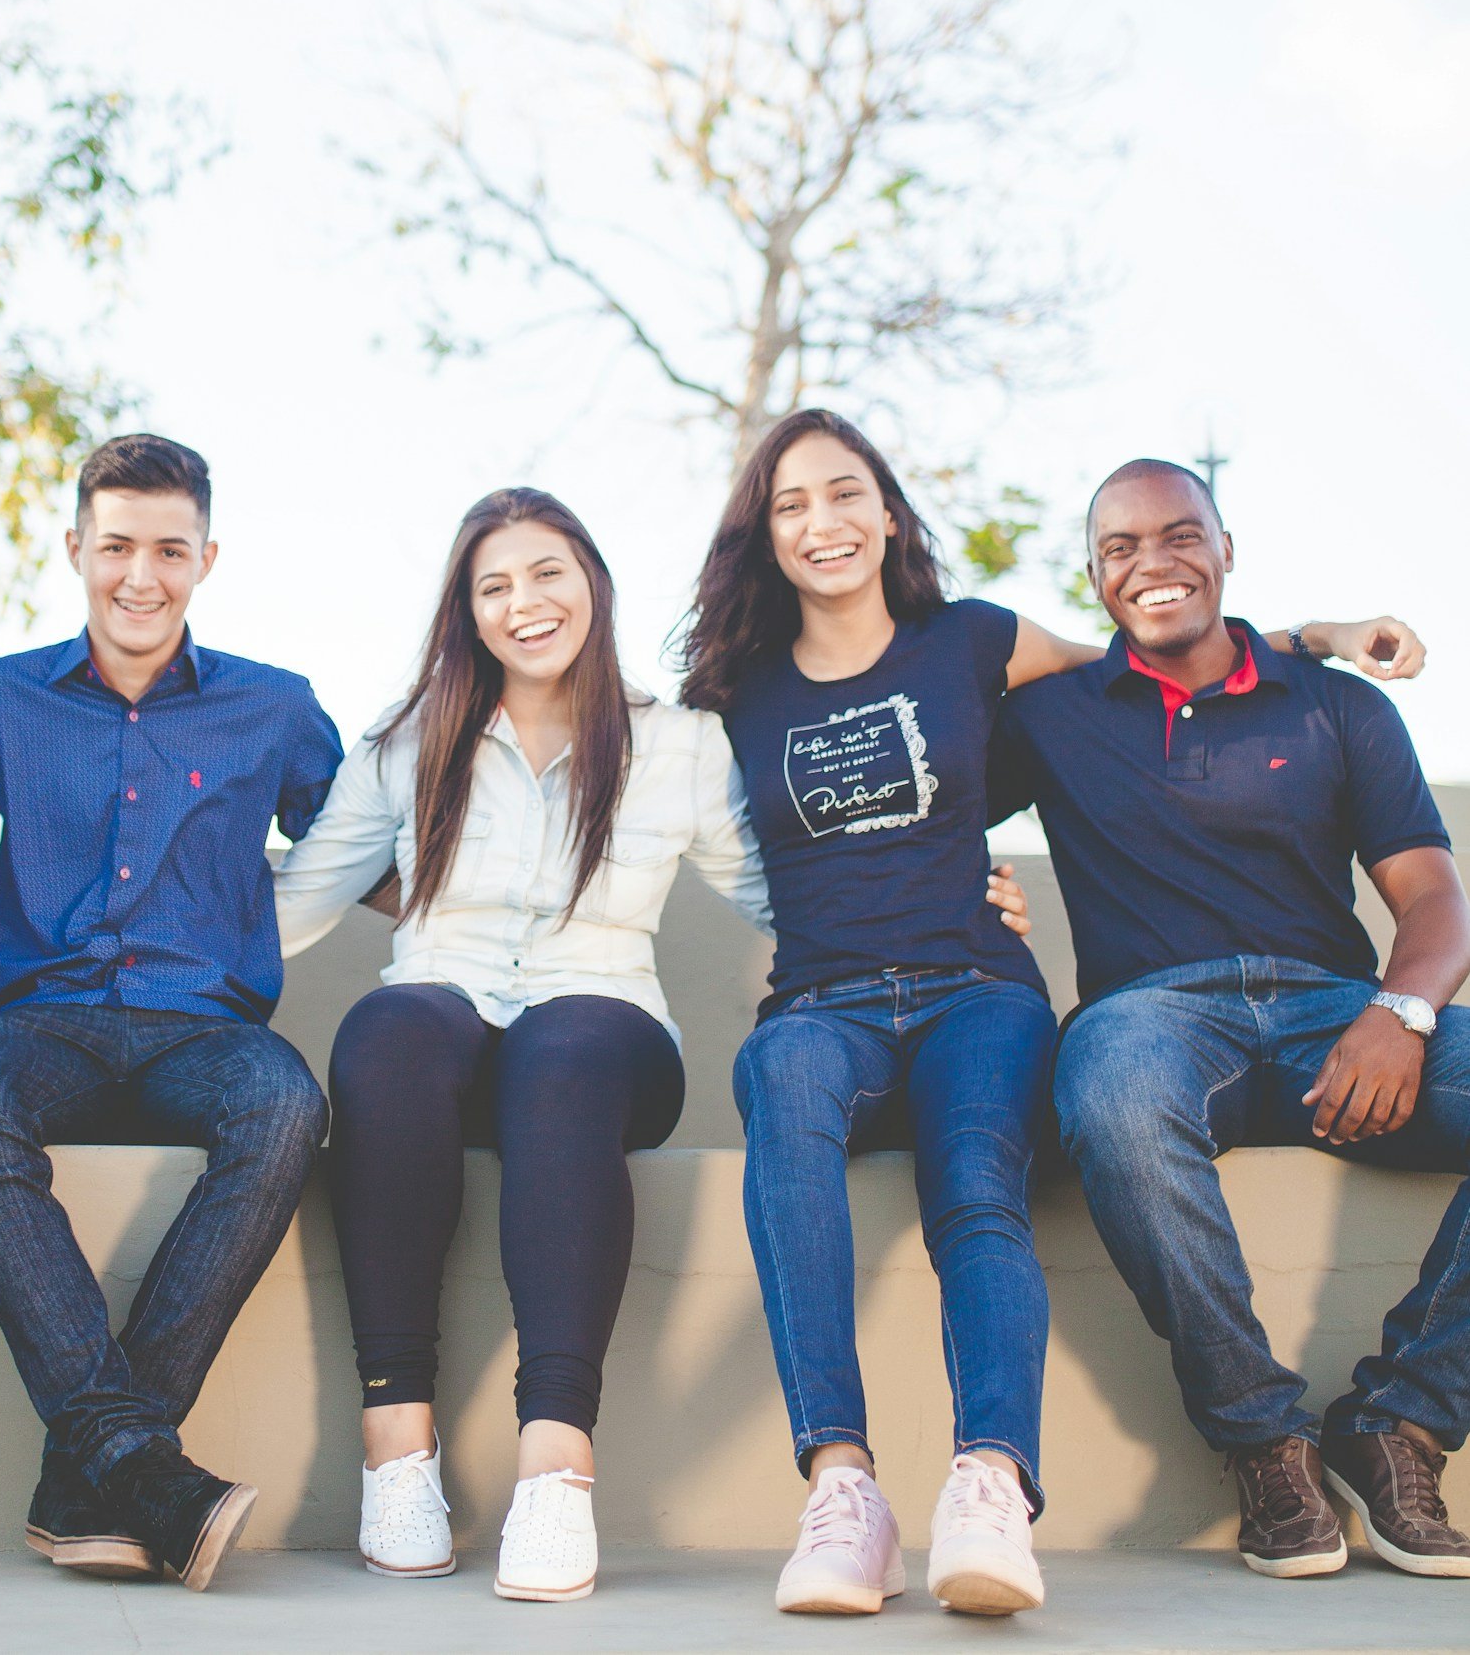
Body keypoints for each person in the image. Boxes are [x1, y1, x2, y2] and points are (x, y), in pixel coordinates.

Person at [680, 407, 1413, 1620]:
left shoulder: (972, 640)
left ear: (888, 512)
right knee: (785, 1097)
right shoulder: (730, 692)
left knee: (975, 1181)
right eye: (792, 503)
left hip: (978, 987)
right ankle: (842, 1488)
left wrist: (1319, 635)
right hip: (821, 1001)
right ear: (761, 533)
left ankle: (988, 1484)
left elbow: (1153, 659)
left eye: (846, 492)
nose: (824, 522)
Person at [269, 486, 888, 1603]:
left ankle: (555, 1464)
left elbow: (781, 890)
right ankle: (396, 1447)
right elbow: (294, 900)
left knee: (562, 1050)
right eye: (493, 585)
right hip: (443, 1026)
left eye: (546, 571)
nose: (524, 602)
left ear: (590, 581)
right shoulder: (410, 741)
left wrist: (940, 904)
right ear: (468, 612)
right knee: (388, 1028)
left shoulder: (677, 746)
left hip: (605, 1033)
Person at [993, 457, 1470, 1582]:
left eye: (1177, 535)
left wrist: (1400, 1013)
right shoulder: (1049, 716)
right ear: (1094, 576)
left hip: (1337, 1017)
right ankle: (1264, 1442)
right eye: (1118, 548)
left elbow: (1433, 897)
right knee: (1107, 1092)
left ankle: (1398, 1423)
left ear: (1223, 547)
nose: (1151, 563)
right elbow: (925, 711)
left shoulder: (1336, 703)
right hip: (1150, 1019)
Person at [0, 433, 343, 1593]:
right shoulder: (1, 696)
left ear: (208, 557)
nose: (140, 576)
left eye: (169, 548)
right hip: (40, 1024)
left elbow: (378, 838)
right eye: (116, 546)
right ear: (75, 549)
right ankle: (143, 1468)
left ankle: (98, 1472)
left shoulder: (276, 706)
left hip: (205, 1029)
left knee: (284, 1104)